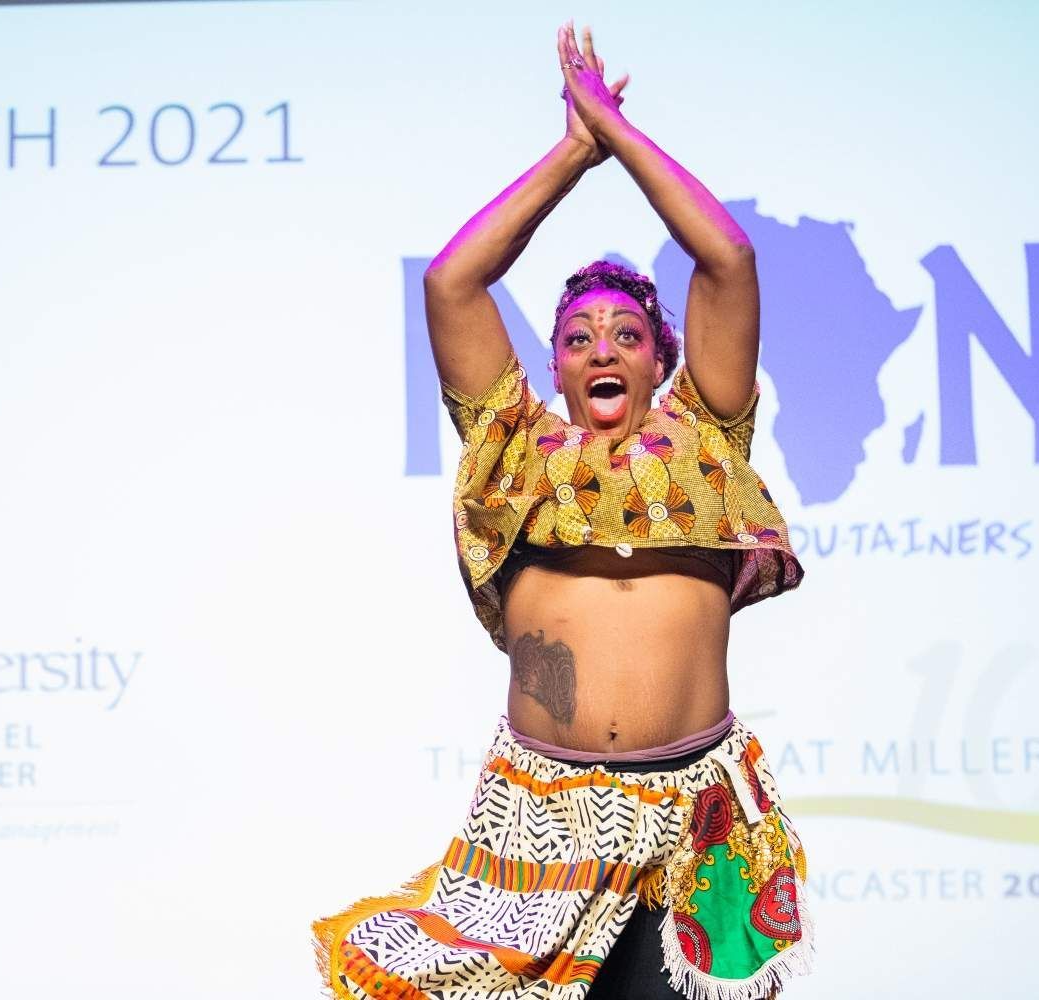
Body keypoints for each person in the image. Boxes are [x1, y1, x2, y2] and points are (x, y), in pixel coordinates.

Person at [313, 23, 813, 1000]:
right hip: (539, 823)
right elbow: (451, 279)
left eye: (627, 332)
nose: (601, 348)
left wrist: (618, 131)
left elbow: (729, 255)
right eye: (578, 335)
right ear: (556, 366)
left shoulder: (705, 435)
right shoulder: (515, 447)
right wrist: (572, 153)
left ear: (660, 360)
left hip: (695, 813)